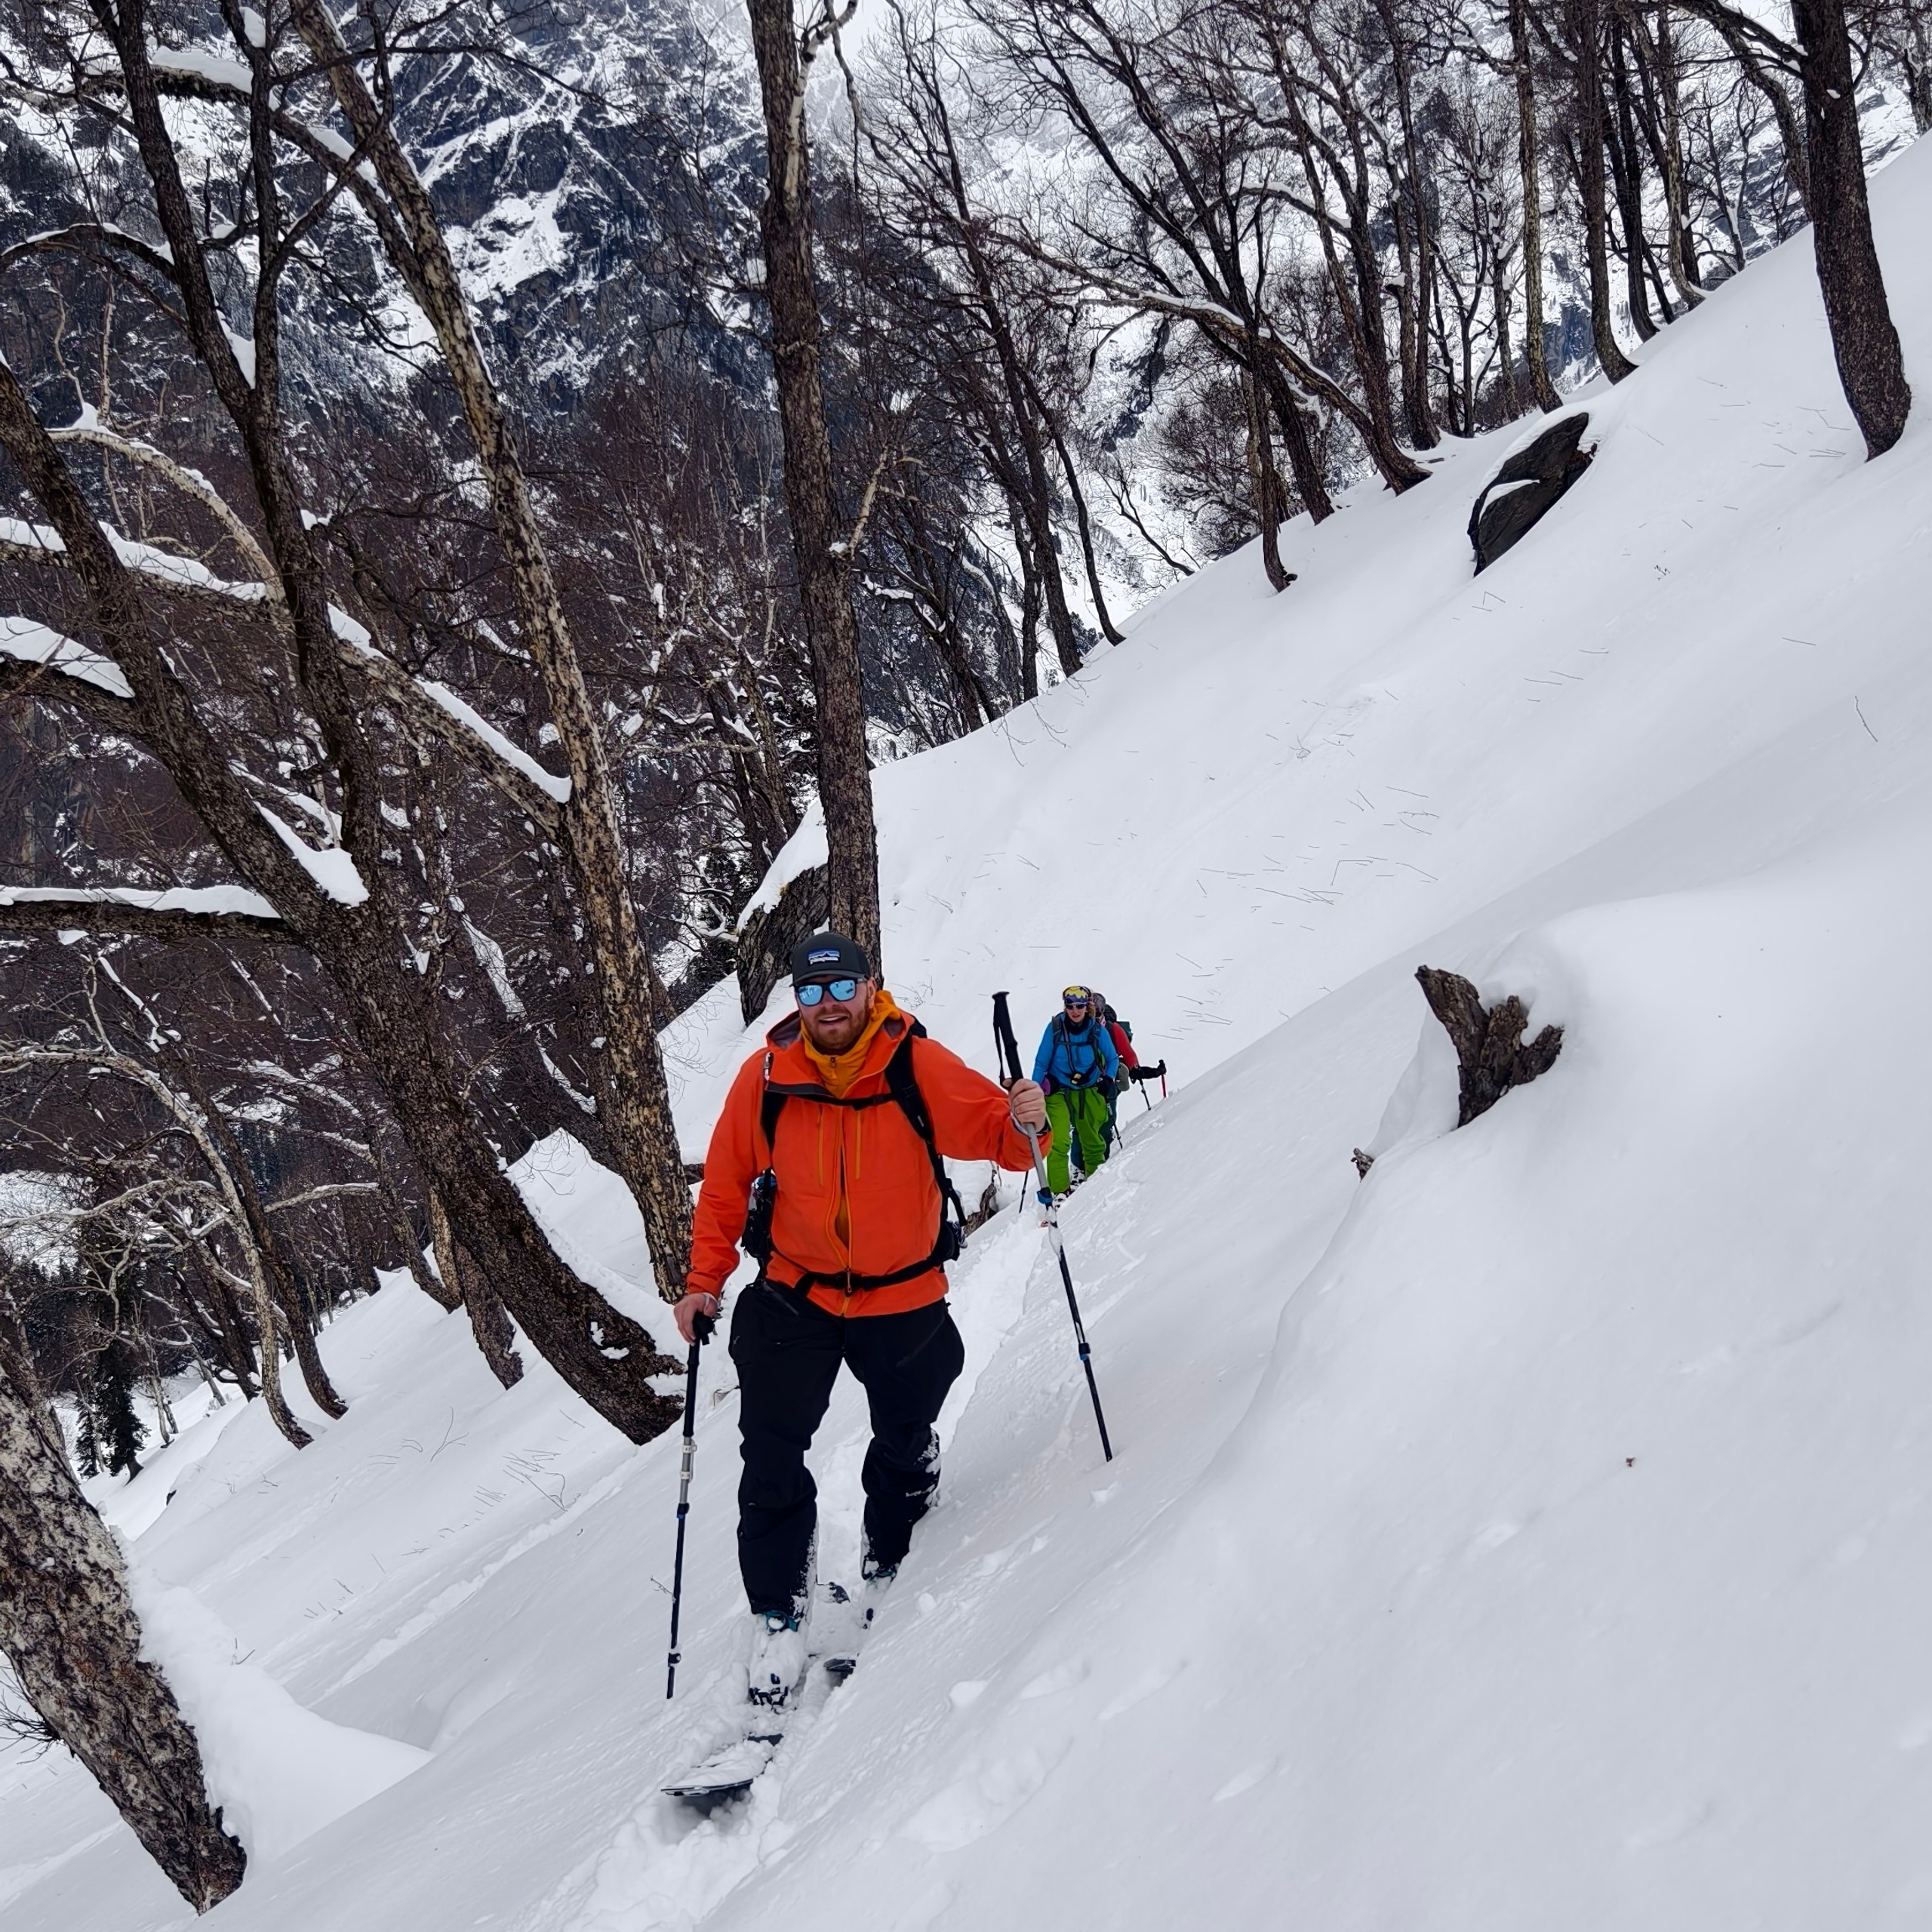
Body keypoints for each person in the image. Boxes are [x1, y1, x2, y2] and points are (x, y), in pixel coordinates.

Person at [672, 932, 1048, 1709]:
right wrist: (703, 1280)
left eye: (841, 987)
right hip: (793, 1292)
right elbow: (724, 1183)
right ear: (796, 1002)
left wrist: (1025, 1123)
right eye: (812, 992)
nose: (829, 1005)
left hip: (902, 1292)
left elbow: (1000, 1141)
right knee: (769, 1453)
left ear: (869, 986)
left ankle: (895, 1545)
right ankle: (776, 1607)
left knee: (905, 1435)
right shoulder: (768, 1076)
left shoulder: (914, 1061)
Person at [1031, 985, 1118, 1199]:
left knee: (1092, 1142)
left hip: (1088, 1088)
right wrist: (1035, 1091)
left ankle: (1096, 1189)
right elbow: (1041, 1062)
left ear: (1087, 1006)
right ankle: (1059, 1192)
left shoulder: (1097, 1030)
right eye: (1070, 1006)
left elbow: (1112, 1058)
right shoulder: (1055, 1028)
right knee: (1059, 1141)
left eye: (1079, 1006)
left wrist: (1108, 1078)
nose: (1075, 1011)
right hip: (1057, 1089)